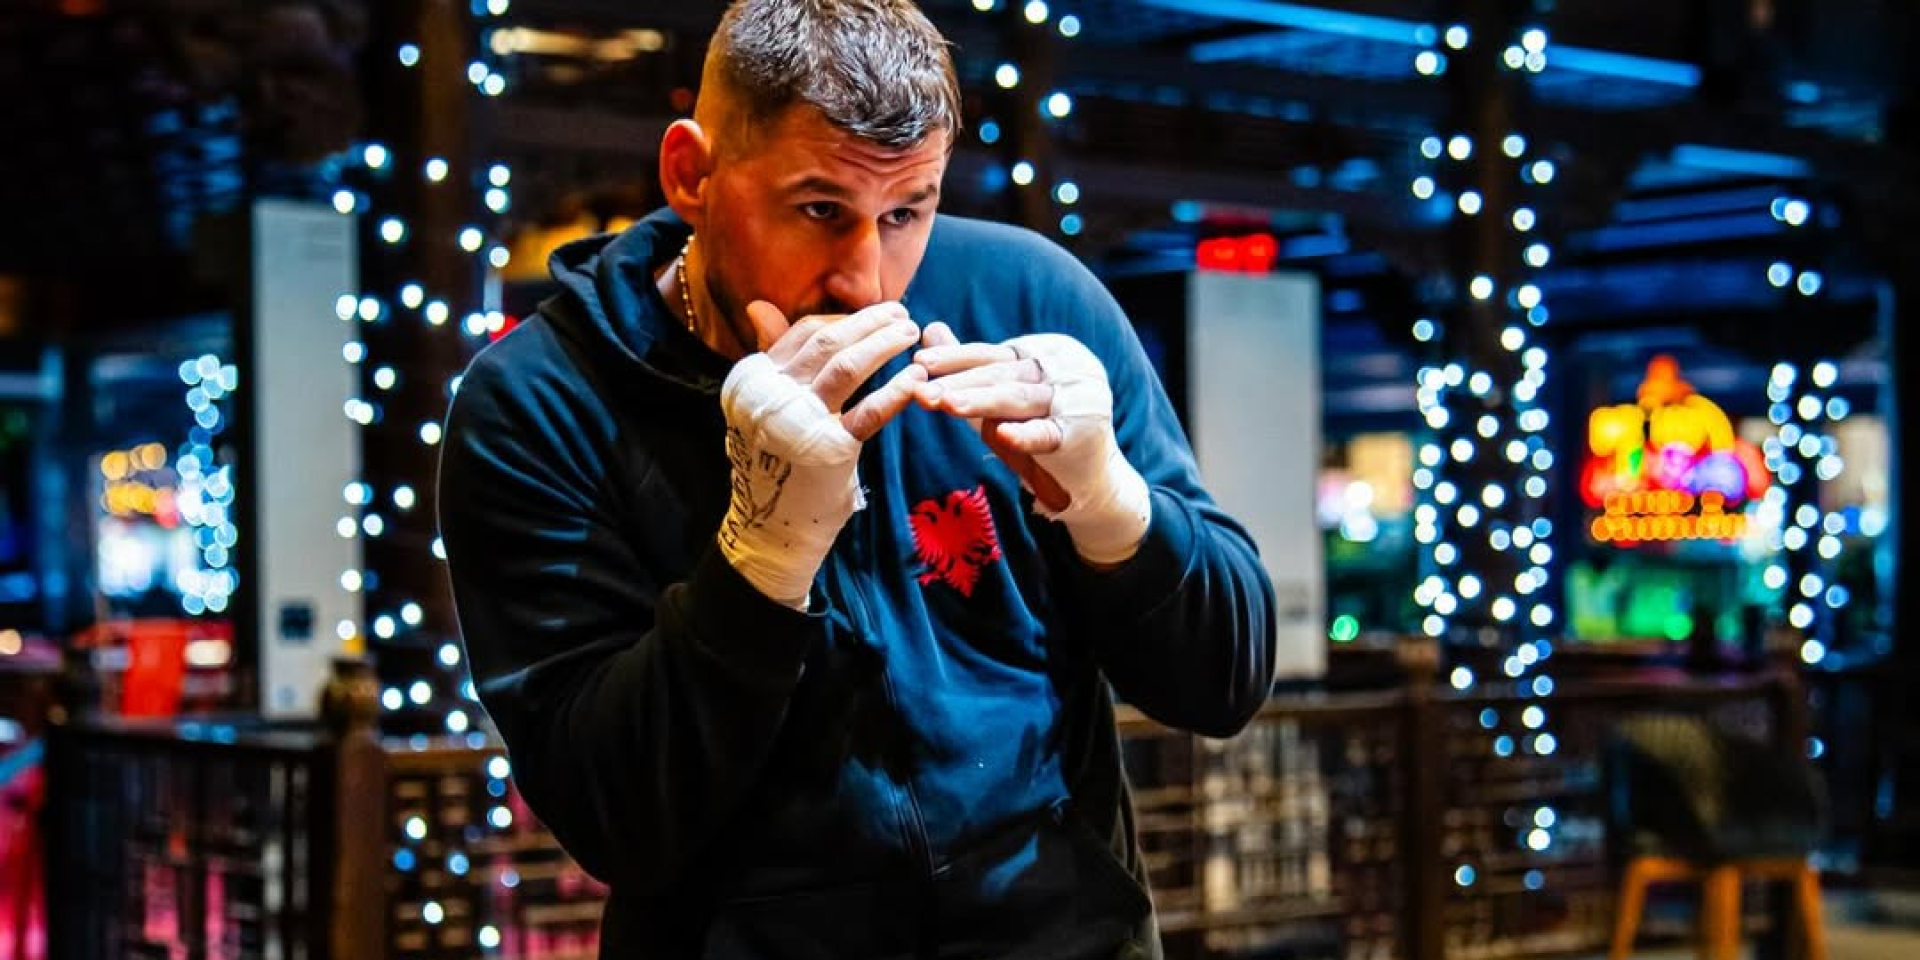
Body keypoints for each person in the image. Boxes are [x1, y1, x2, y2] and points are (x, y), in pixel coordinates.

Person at [437, 1, 1276, 956]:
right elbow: (614, 820)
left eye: (906, 212)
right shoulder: (540, 400)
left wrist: (1112, 507)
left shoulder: (1028, 298)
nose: (866, 280)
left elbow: (1226, 683)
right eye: (820, 210)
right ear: (692, 174)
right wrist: (760, 560)